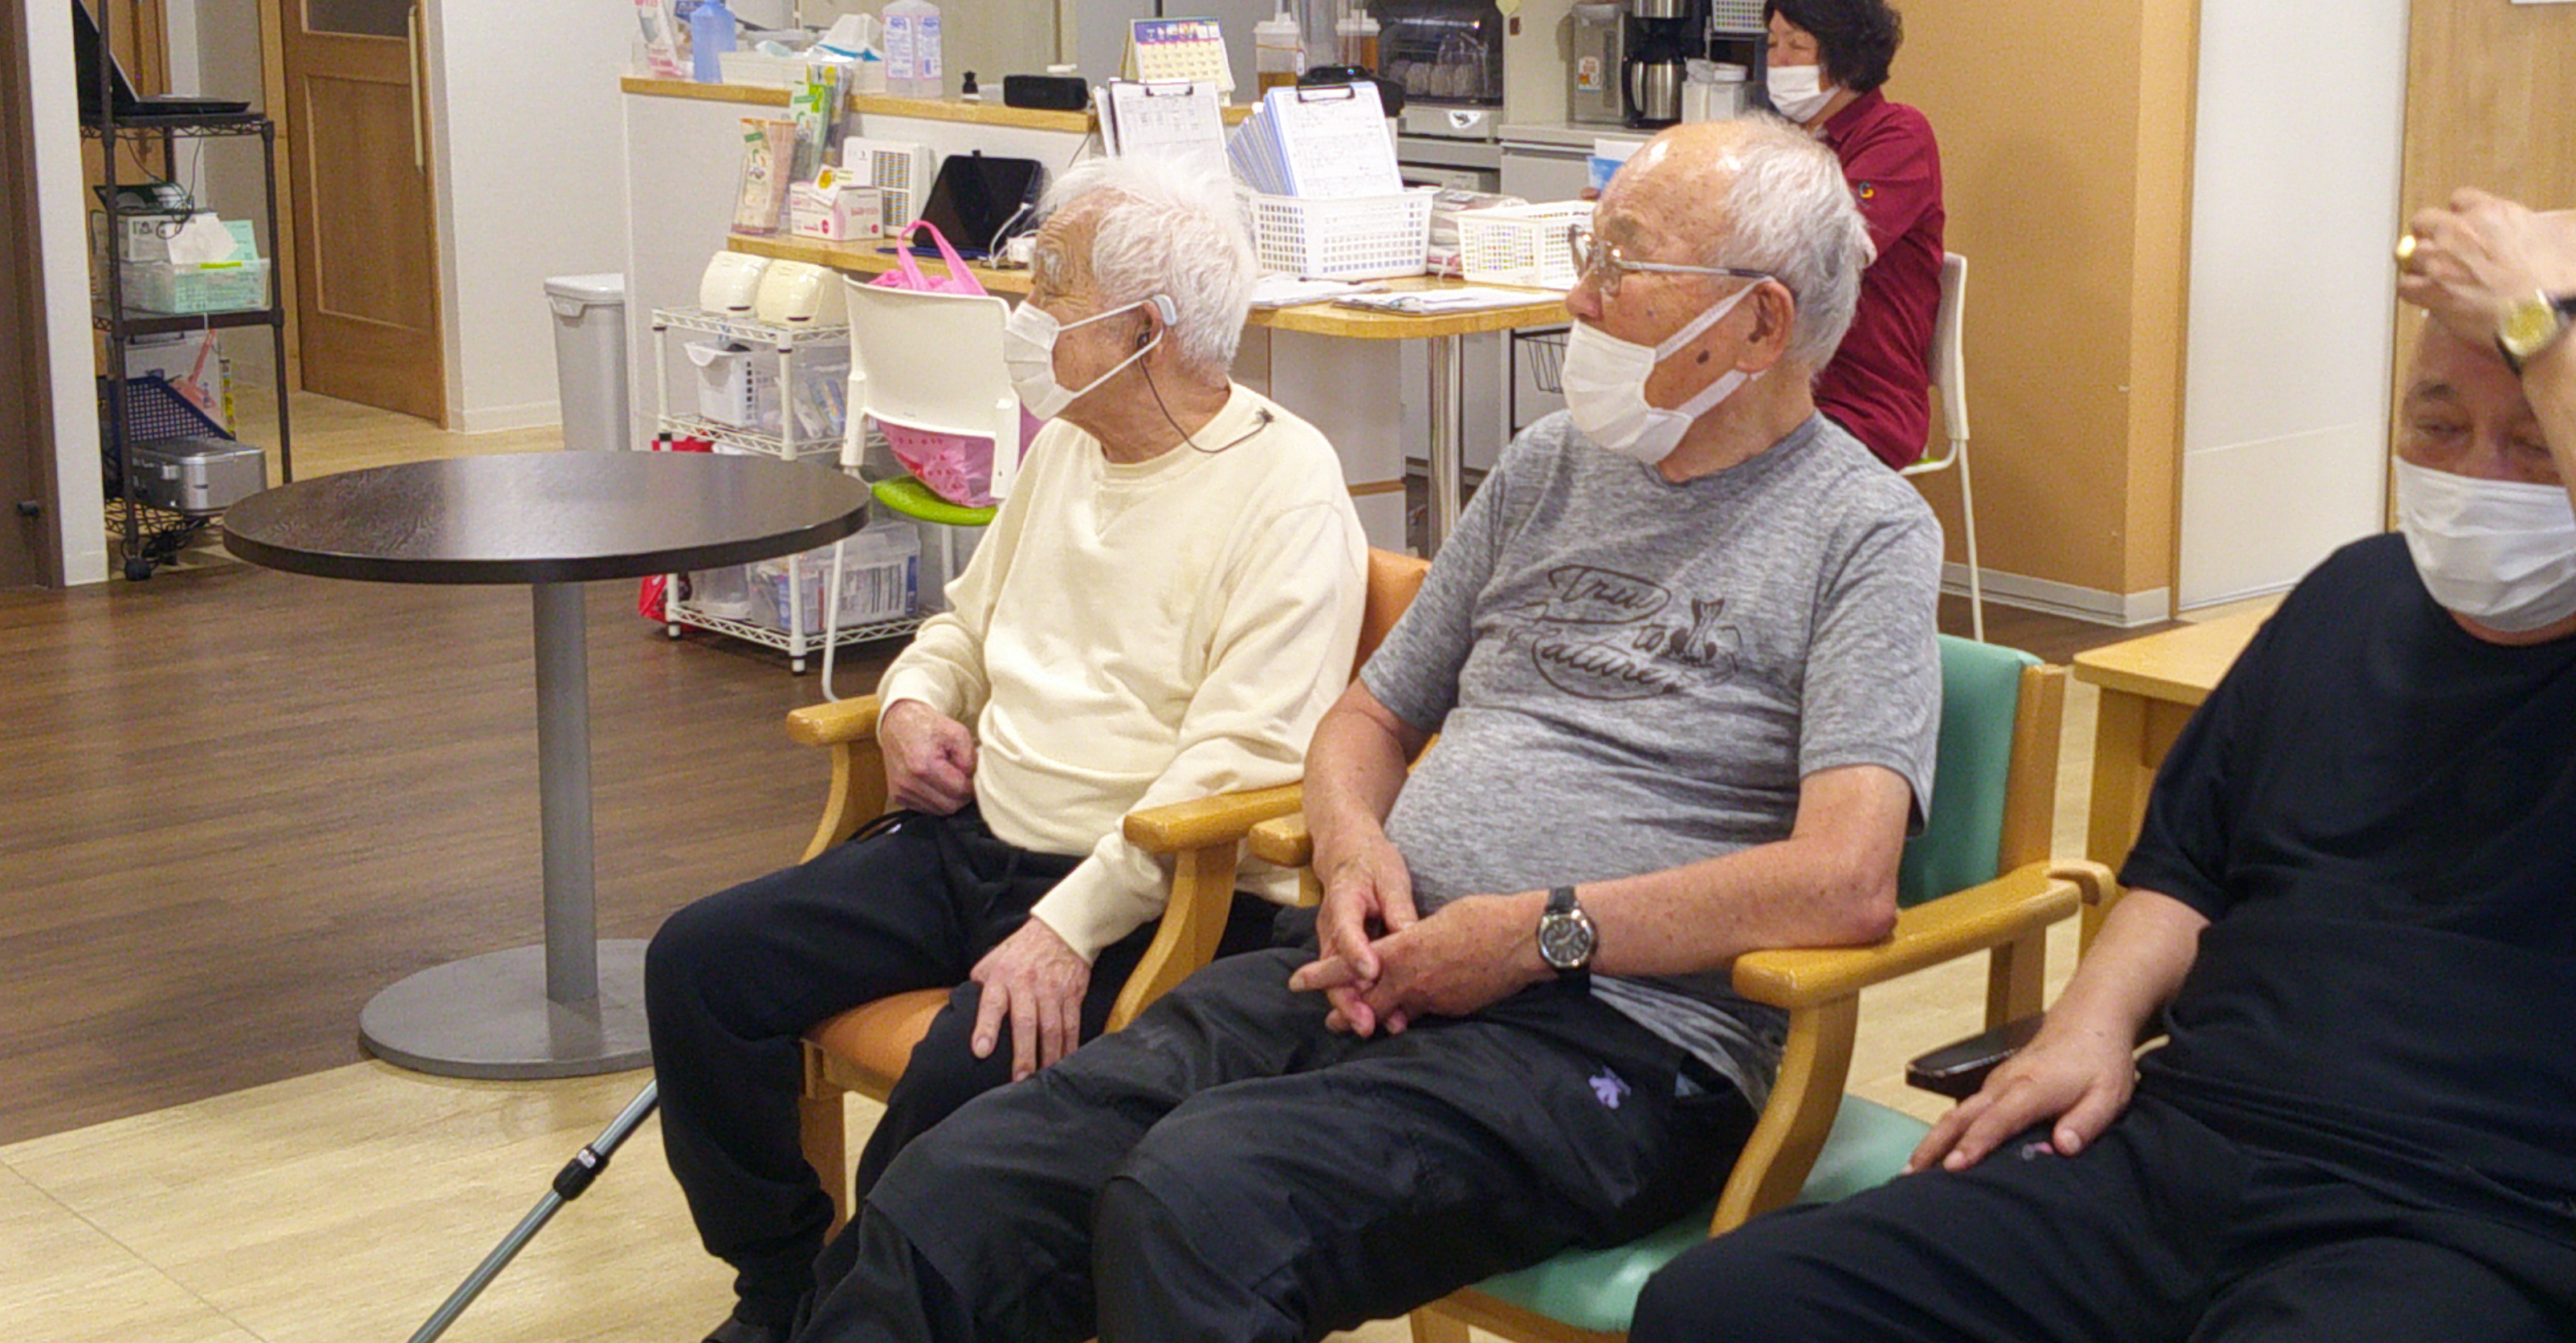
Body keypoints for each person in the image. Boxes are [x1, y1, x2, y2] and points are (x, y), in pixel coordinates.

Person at [1632, 191, 2576, 1343]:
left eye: (2541, 439)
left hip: (2496, 1222)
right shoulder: (2352, 598)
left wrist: (2553, 317)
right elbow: (2186, 870)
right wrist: (2089, 1023)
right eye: (2438, 426)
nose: (2476, 474)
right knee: (1731, 1308)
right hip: (2186, 1152)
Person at [785, 116, 1948, 1343]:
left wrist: (1532, 936)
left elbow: (1846, 880)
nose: (1579, 297)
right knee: (966, 1181)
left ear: (1760, 324)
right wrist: (1349, 856)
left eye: (1622, 264)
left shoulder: (1861, 533)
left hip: (1620, 1039)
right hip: (1376, 964)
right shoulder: (1550, 469)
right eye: (1587, 252)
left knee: (1193, 1204)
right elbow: (1369, 717)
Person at [642, 155, 1369, 1343]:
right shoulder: (1070, 442)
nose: (1023, 313)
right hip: (975, 837)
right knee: (700, 966)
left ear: (1146, 329)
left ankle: (848, 1322)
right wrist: (908, 706)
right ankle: (781, 1291)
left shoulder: (1286, 491)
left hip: (1140, 896)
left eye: (1052, 288)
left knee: (949, 1098)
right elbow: (962, 629)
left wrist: (1067, 929)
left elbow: (1238, 764)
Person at [1762, 0, 1946, 469]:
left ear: (1846, 53)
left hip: (1860, 400)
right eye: (1772, 44)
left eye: (1797, 46)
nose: (1779, 61)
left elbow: (1829, 252)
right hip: (1772, 386)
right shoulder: (1781, 143)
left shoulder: (1898, 133)